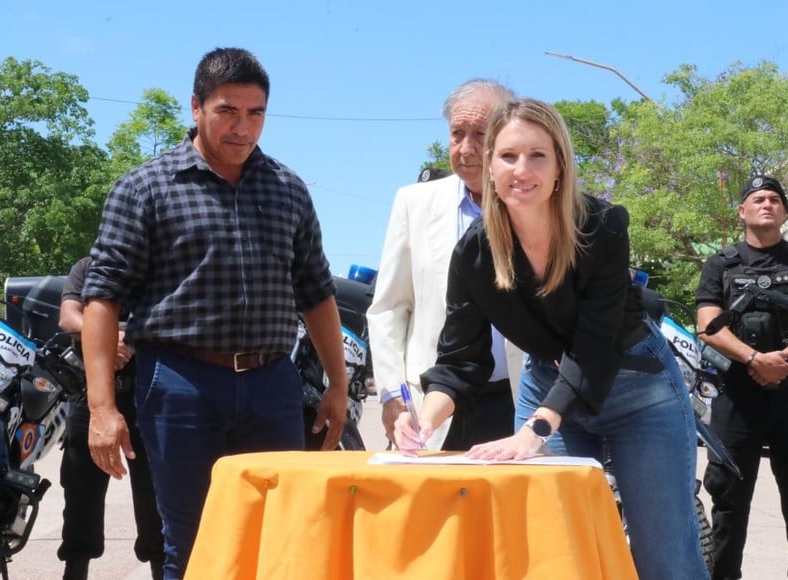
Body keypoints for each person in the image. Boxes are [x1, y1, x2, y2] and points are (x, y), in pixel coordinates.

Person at [395, 98, 708, 579]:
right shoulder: (474, 252)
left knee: (665, 560)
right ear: (491, 168)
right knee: (554, 555)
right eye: (508, 156)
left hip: (636, 390)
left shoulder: (600, 227)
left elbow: (594, 345)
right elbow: (460, 361)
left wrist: (535, 431)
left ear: (560, 166)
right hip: (549, 385)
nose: (522, 169)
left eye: (538, 155)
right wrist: (421, 419)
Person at [79, 47, 348, 580]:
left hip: (273, 384)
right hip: (179, 385)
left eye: (256, 114)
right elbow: (102, 298)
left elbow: (316, 292)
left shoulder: (288, 189)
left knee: (280, 537)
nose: (242, 128)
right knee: (195, 542)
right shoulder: (145, 189)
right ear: (196, 107)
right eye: (228, 111)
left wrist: (338, 383)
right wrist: (102, 408)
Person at [367, 79, 523, 451]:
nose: (466, 149)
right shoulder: (413, 203)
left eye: (479, 135)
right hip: (430, 409)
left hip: (517, 402)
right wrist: (392, 396)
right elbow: (389, 308)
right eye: (457, 134)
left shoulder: (532, 203)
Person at [695, 175, 788, 580]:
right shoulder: (721, 263)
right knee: (728, 501)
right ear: (742, 210)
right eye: (758, 198)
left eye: (775, 199)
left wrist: (782, 358)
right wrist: (754, 359)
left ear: (785, 210)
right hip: (736, 399)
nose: (767, 203)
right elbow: (707, 324)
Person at [56, 256, 164, 580]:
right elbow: (67, 317)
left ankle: (162, 567)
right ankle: (75, 568)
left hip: (149, 389)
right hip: (90, 389)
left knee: (155, 489)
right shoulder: (86, 268)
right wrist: (105, 335)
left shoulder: (153, 266)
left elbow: (168, 317)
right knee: (80, 485)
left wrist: (129, 338)